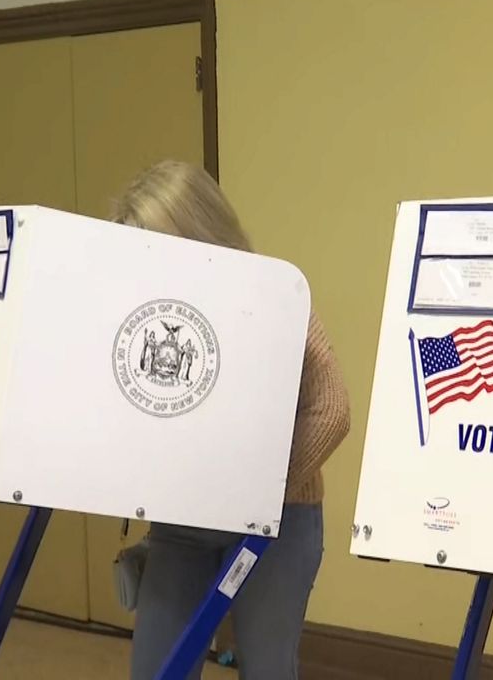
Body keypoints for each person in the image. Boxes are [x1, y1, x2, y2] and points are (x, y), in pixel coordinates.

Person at [117, 160, 351, 680]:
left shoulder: (273, 295)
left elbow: (332, 410)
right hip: (182, 519)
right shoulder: (148, 310)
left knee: (267, 669)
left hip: (279, 519)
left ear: (197, 233)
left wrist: (255, 491)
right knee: (159, 669)